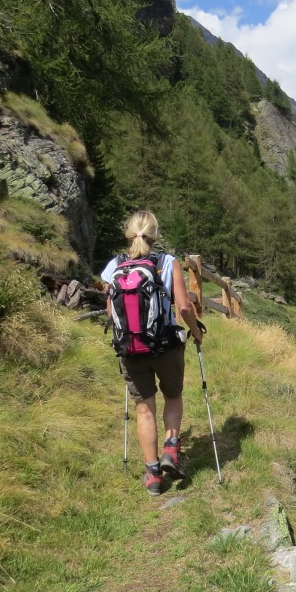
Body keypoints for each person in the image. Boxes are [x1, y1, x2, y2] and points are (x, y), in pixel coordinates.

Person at [101, 210, 202, 496]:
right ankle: (171, 448)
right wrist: (196, 331)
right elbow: (184, 307)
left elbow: (110, 313)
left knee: (144, 409)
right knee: (173, 396)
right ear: (155, 235)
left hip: (131, 349)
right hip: (166, 345)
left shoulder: (114, 266)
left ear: (128, 234)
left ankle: (153, 475)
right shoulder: (167, 262)